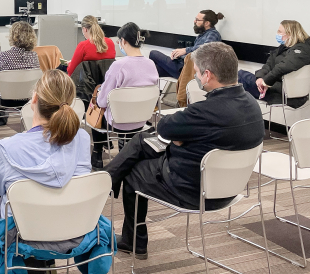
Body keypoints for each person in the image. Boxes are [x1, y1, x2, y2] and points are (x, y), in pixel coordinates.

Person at [105, 42, 264, 259]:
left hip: (192, 188)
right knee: (145, 141)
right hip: (229, 187)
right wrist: (182, 140)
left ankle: (132, 238)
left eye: (196, 72)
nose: (195, 77)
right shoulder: (252, 105)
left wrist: (180, 140)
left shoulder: (205, 111)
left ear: (207, 75)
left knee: (135, 168)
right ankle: (108, 179)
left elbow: (164, 126)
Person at [0, 69, 91, 231]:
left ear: (34, 99)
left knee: (6, 185)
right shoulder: (82, 138)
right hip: (71, 227)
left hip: (20, 233)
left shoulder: (7, 148)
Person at [91, 22, 158, 169]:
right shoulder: (151, 64)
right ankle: (126, 151)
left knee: (94, 107)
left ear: (124, 41)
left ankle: (97, 155)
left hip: (117, 122)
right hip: (142, 120)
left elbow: (102, 102)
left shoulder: (118, 66)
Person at [238, 20, 310, 108]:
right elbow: (269, 64)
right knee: (240, 79)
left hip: (285, 93)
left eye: (280, 32)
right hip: (275, 87)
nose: (277, 34)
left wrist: (265, 82)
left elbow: (283, 67)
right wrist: (260, 78)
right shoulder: (284, 47)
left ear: (289, 34)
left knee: (240, 77)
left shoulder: (302, 50)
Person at [148, 10, 224, 79]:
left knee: (153, 53)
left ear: (207, 23)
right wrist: (180, 55)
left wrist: (185, 50)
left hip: (188, 69)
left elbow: (206, 48)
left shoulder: (213, 34)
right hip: (184, 65)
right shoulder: (202, 35)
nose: (195, 21)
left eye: (197, 20)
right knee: (154, 71)